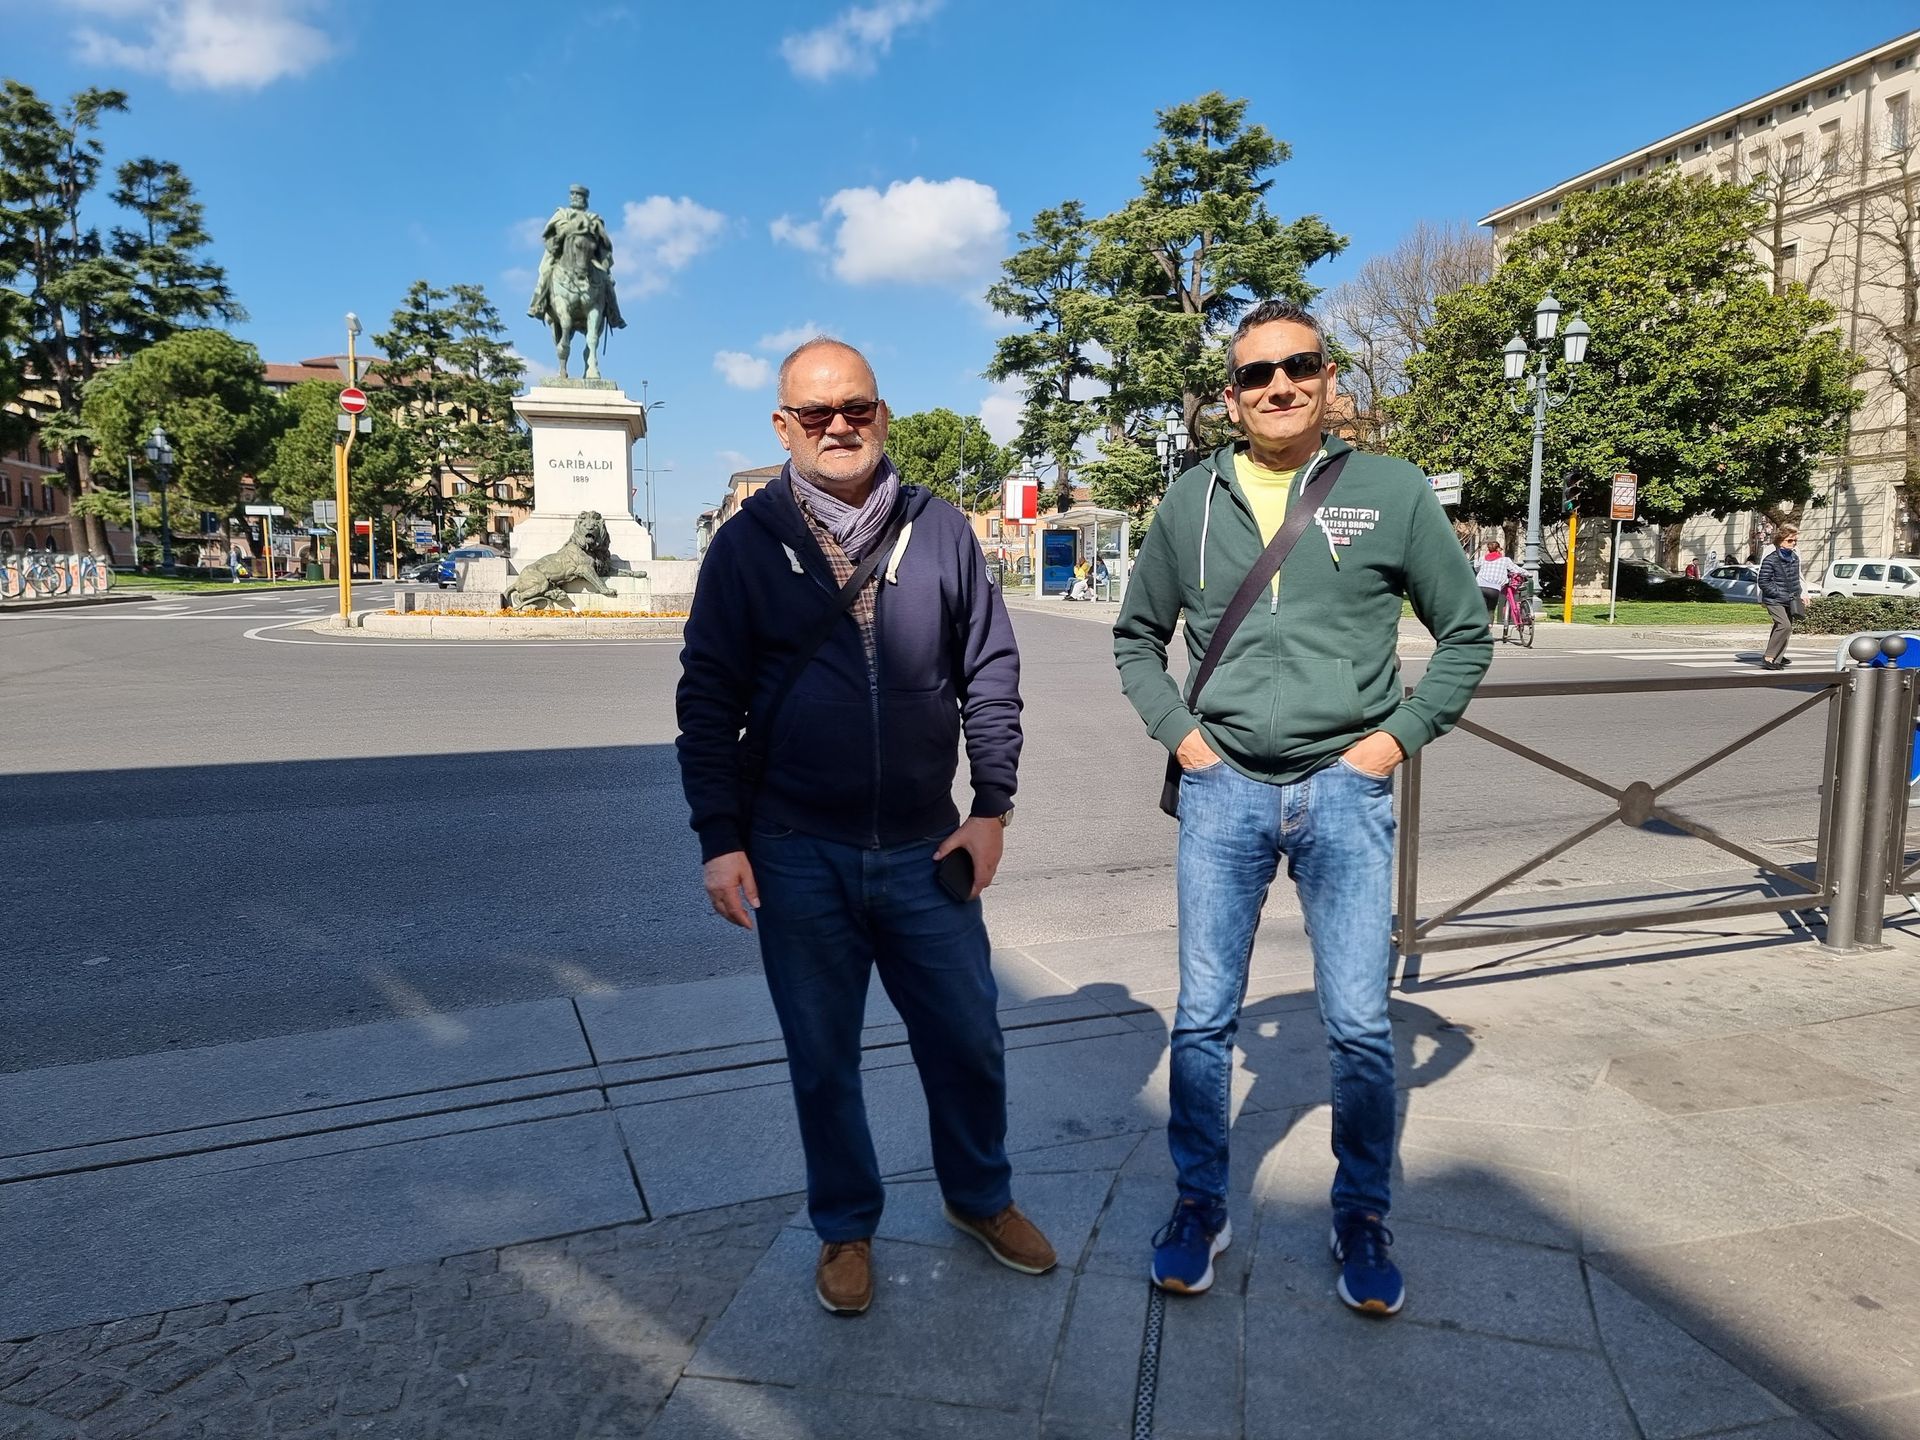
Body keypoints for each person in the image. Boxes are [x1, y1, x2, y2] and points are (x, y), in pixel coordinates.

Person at [1113, 297, 1492, 1316]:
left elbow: (1467, 635)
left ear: (1330, 380)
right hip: (1223, 788)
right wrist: (1182, 739)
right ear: (1229, 400)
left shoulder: (1393, 492)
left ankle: (1360, 1213)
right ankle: (1200, 1204)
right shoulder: (1189, 503)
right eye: (1256, 375)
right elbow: (1134, 638)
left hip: (1344, 789)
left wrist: (1390, 744)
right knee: (1202, 1022)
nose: (1279, 385)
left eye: (1300, 366)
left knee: (1363, 1027)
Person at [676, 337, 1054, 1318]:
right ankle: (845, 1226)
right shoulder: (748, 545)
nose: (838, 427)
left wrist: (993, 808)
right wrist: (721, 838)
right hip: (796, 851)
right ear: (783, 427)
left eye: (856, 409)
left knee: (969, 1038)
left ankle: (981, 1198)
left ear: (882, 416)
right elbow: (708, 698)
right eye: (815, 415)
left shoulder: (940, 530)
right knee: (822, 1054)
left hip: (928, 846)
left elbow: (991, 669)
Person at [1757, 525, 1803, 670]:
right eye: (1790, 540)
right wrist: (1778, 592)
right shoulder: (1771, 559)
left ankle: (1777, 658)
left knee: (1785, 628)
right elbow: (1763, 581)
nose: (1793, 543)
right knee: (1784, 625)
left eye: (1795, 541)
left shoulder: (1794, 557)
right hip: (1774, 599)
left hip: (1791, 598)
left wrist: (1799, 594)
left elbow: (1796, 578)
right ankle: (1769, 657)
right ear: (1780, 541)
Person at [1474, 543, 1525, 624]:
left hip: (1480, 586)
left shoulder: (1482, 558)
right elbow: (1516, 569)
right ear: (1498, 549)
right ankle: (1489, 627)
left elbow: (1476, 568)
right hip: (1494, 588)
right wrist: (1528, 574)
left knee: (1481, 608)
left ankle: (1478, 626)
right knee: (1491, 609)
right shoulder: (1505, 560)